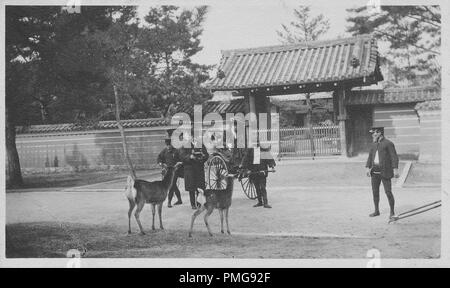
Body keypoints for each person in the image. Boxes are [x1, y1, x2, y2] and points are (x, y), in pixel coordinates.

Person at [365, 127, 400, 219]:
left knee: (388, 192)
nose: (373, 135)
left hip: (385, 171)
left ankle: (392, 212)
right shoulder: (374, 144)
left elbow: (394, 157)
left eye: (374, 133)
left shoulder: (388, 143)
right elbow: (370, 157)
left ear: (380, 133)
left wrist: (395, 169)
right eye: (372, 133)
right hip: (375, 172)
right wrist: (367, 167)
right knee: (375, 192)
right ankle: (376, 211)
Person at [240, 142, 276, 208]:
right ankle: (260, 202)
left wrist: (272, 167)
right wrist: (246, 169)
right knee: (257, 188)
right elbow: (246, 159)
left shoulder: (263, 150)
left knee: (262, 187)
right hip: (254, 172)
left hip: (262, 171)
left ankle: (265, 203)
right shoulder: (250, 151)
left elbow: (269, 159)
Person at [179, 133, 209, 209]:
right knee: (191, 188)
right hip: (190, 169)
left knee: (200, 187)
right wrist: (190, 156)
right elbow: (182, 156)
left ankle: (199, 203)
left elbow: (206, 155)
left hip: (199, 168)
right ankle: (193, 204)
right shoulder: (185, 145)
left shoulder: (200, 145)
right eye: (192, 136)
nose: (193, 138)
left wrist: (203, 156)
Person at [157, 137, 182, 208]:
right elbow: (159, 158)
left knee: (171, 185)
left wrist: (178, 164)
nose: (168, 147)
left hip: (175, 171)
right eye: (167, 145)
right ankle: (179, 200)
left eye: (169, 145)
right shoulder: (164, 151)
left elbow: (181, 160)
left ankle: (169, 202)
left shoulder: (176, 151)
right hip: (167, 171)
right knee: (173, 185)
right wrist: (160, 163)